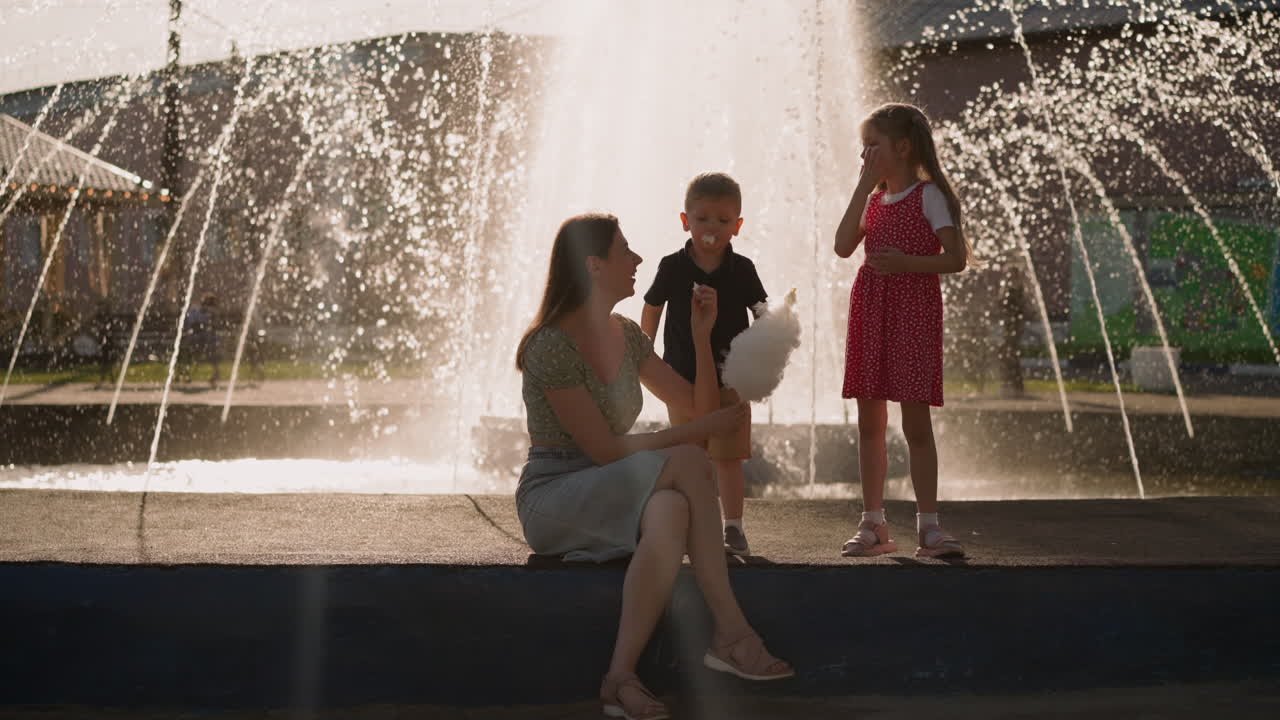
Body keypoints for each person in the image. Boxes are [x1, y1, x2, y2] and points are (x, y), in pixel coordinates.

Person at [516, 213, 793, 720]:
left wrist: (702, 338)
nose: (638, 260)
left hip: (616, 485)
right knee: (685, 461)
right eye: (626, 251)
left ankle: (620, 676)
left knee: (670, 512)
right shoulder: (551, 344)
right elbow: (603, 450)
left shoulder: (627, 335)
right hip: (555, 495)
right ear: (594, 265)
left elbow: (696, 411)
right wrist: (688, 438)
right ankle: (731, 630)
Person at [833, 102, 974, 560]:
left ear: (904, 147)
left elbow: (955, 258)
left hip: (912, 310)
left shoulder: (928, 196)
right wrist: (862, 182)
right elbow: (841, 246)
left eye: (873, 147)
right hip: (871, 309)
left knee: (915, 422)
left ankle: (929, 528)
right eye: (863, 148)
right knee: (869, 421)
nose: (866, 156)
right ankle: (873, 523)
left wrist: (907, 265)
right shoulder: (873, 199)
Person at [641, 172, 767, 557]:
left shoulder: (742, 269)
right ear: (686, 221)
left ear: (738, 226)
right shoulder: (672, 266)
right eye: (703, 219)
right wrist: (646, 352)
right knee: (689, 453)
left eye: (723, 220)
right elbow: (653, 306)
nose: (712, 228)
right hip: (682, 377)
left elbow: (761, 310)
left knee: (728, 456)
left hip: (733, 377)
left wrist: (765, 349)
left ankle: (733, 528)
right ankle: (691, 524)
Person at [179, 293, 220, 388]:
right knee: (189, 350)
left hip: (206, 338)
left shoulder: (211, 312)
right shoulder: (194, 310)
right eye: (208, 304)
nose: (209, 307)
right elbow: (193, 324)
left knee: (212, 351)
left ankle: (214, 375)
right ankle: (186, 373)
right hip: (195, 336)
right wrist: (203, 327)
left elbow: (213, 325)